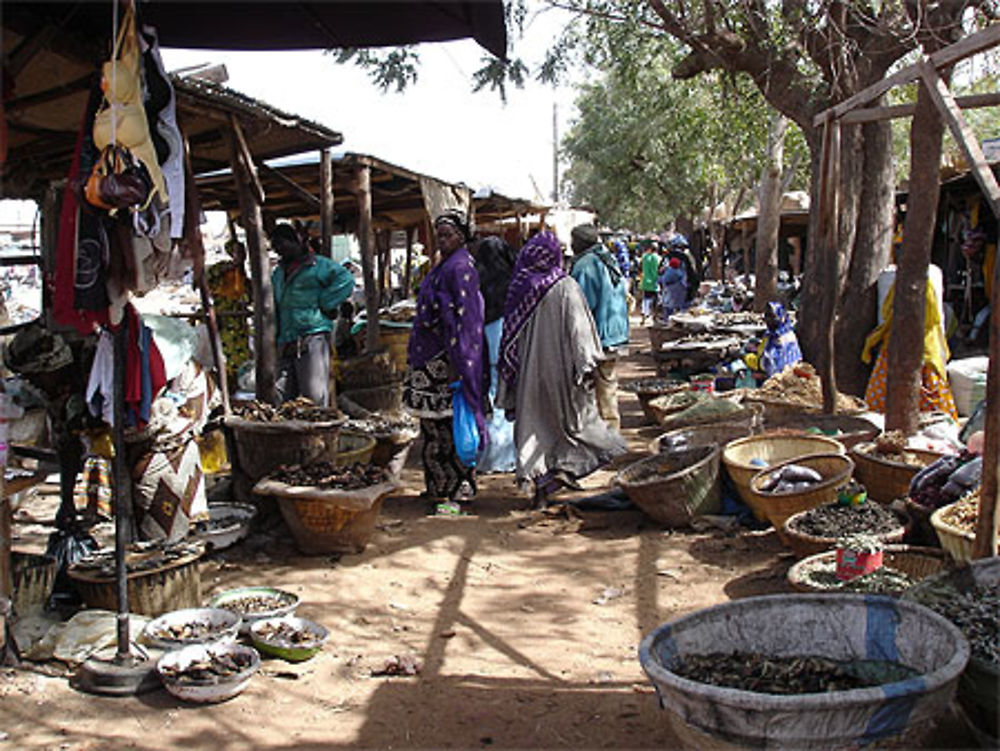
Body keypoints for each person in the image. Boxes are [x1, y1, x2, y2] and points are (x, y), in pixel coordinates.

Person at [497, 231, 627, 509]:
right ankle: (563, 472)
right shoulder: (565, 286)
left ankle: (541, 490)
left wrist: (511, 376)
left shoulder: (518, 287)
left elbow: (508, 338)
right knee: (573, 426)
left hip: (529, 376)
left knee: (535, 429)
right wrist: (587, 365)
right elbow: (579, 332)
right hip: (562, 373)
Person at [403, 210, 487, 514]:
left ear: (462, 237)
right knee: (433, 431)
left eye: (448, 234)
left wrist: (460, 362)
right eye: (438, 235)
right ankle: (437, 488)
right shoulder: (443, 267)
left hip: (446, 363)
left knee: (449, 432)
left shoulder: (461, 268)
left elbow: (467, 321)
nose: (442, 240)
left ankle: (456, 493)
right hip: (430, 361)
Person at [271, 223, 354, 406]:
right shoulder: (278, 273)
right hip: (286, 339)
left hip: (311, 336)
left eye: (282, 245)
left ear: (295, 242)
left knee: (314, 396)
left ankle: (318, 434)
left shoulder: (318, 265)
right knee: (281, 397)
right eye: (276, 247)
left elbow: (346, 280)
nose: (279, 251)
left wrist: (325, 302)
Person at [862, 277, 958, 421]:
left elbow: (930, 319)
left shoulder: (923, 287)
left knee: (930, 400)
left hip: (921, 350)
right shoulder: (899, 286)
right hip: (899, 345)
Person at [569, 224, 630, 430]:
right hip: (615, 333)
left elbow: (580, 307)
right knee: (608, 384)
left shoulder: (585, 266)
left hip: (599, 337)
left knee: (596, 389)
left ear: (580, 242)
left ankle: (605, 437)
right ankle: (611, 431)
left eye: (573, 241)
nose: (571, 245)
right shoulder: (607, 258)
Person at [474, 235, 518, 473]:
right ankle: (507, 457)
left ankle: (488, 458)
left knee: (489, 401)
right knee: (507, 401)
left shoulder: (476, 281)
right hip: (510, 352)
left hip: (485, 351)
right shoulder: (515, 282)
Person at [745, 301, 802, 378]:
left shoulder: (785, 339)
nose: (768, 320)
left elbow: (774, 366)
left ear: (782, 317)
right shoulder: (770, 335)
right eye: (767, 316)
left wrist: (745, 357)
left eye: (772, 316)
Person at [638, 240, 661, 325]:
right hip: (655, 282)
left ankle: (643, 318)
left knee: (646, 300)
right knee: (656, 301)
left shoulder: (644, 257)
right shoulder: (658, 258)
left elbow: (640, 269)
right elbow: (659, 270)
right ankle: (654, 318)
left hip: (645, 282)